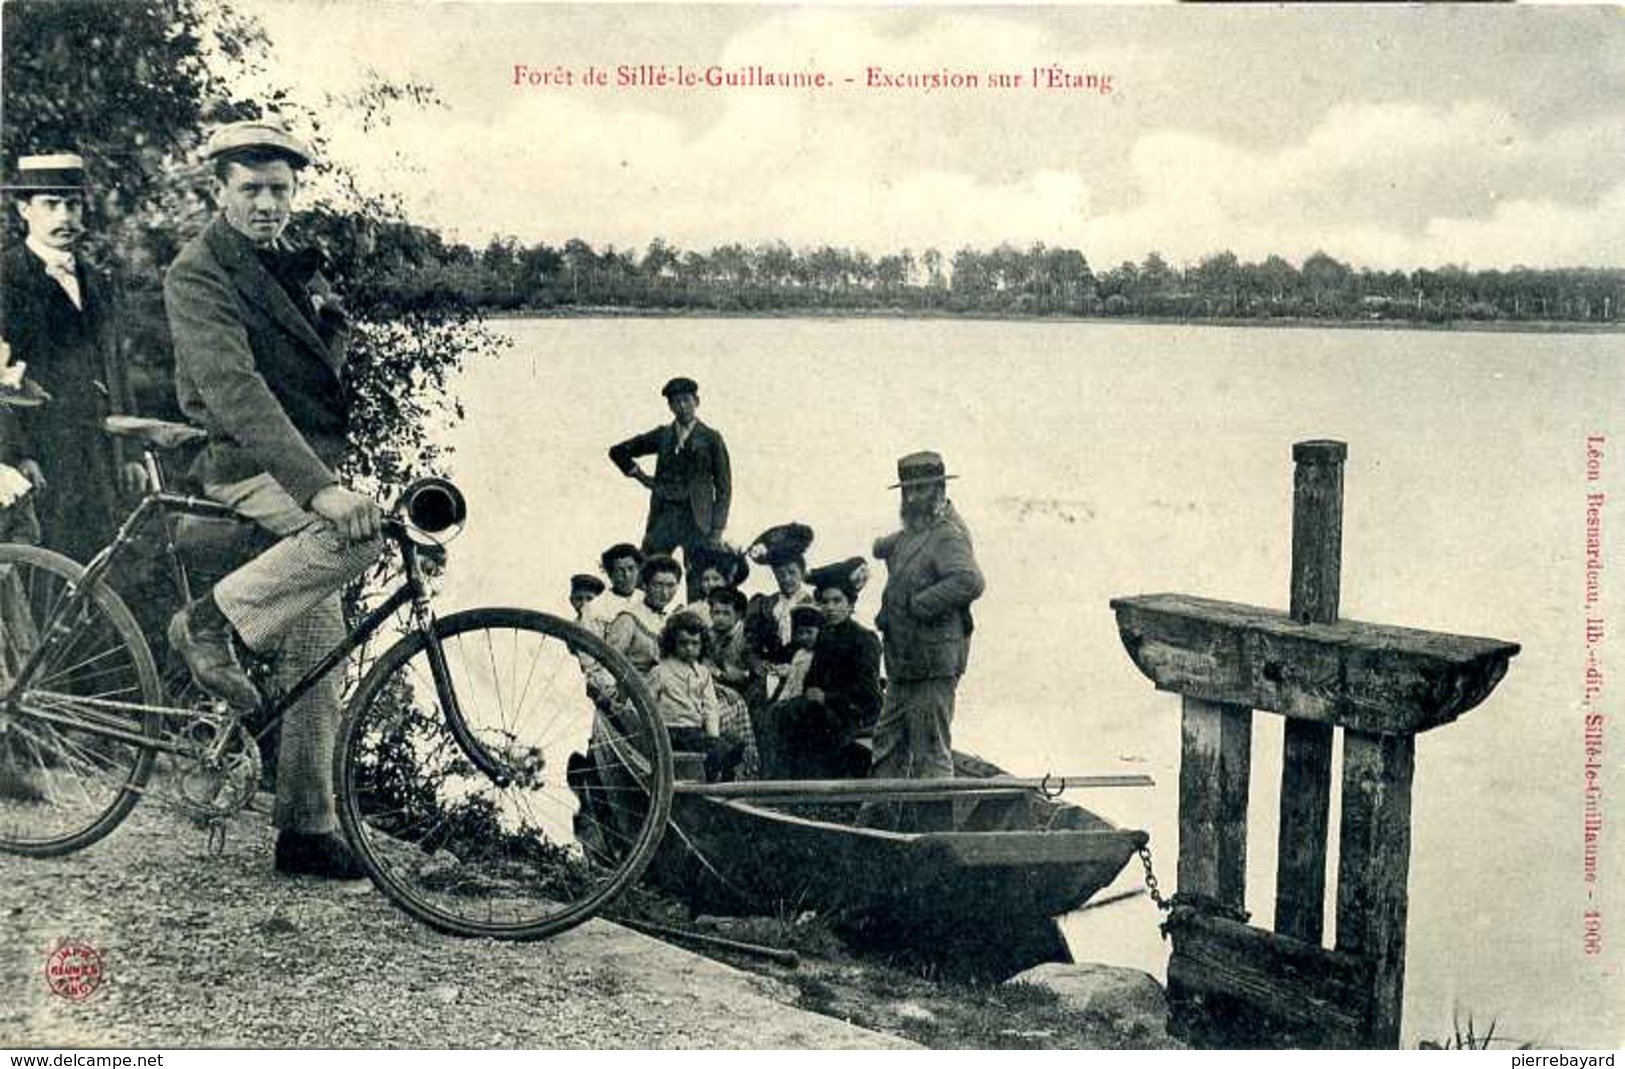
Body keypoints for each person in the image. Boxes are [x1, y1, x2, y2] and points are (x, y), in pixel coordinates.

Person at [162, 120, 381, 879]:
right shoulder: (198, 272)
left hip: (297, 464)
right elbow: (237, 394)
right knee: (358, 540)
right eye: (250, 189)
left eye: (279, 190)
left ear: (296, 191)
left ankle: (305, 827)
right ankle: (207, 625)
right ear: (218, 190)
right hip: (237, 463)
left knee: (321, 631)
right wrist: (320, 489)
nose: (266, 204)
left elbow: (311, 375)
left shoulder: (289, 262)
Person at [1, 153, 146, 564]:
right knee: (44, 569)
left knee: (100, 570)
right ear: (24, 208)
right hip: (40, 457)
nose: (65, 216)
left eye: (74, 204)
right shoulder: (6, 277)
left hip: (99, 455)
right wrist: (13, 454)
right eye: (51, 204)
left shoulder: (96, 280)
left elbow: (116, 369)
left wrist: (131, 451)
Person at [865, 451, 984, 831]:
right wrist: (881, 546)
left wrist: (921, 604)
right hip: (904, 661)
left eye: (921, 489)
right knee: (886, 741)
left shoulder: (948, 533)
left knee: (931, 750)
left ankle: (936, 834)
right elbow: (904, 544)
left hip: (933, 663)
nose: (912, 497)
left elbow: (969, 581)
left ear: (940, 489)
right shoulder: (918, 529)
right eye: (907, 490)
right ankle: (877, 823)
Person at [608, 376, 731, 601]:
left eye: (686, 400)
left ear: (697, 401)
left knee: (699, 580)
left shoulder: (712, 438)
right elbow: (618, 451)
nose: (682, 406)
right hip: (665, 516)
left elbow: (724, 488)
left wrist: (717, 529)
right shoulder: (663, 435)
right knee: (647, 571)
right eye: (675, 402)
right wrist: (642, 477)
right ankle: (637, 617)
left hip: (699, 522)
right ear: (670, 406)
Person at [773, 557, 883, 781]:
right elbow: (813, 679)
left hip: (856, 712)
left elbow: (868, 691)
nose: (830, 608)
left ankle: (815, 787)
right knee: (781, 713)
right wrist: (812, 692)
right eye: (825, 602)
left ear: (850, 604)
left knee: (811, 719)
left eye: (837, 601)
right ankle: (786, 784)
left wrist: (827, 697)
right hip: (826, 707)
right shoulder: (825, 637)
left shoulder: (865, 639)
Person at [646, 610, 740, 782]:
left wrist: (713, 735)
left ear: (702, 645)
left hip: (695, 730)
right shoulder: (660, 671)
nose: (689, 648)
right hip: (672, 731)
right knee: (717, 748)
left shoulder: (703, 673)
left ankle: (723, 782)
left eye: (695, 644)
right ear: (672, 643)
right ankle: (705, 780)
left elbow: (710, 706)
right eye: (683, 643)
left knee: (735, 742)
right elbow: (647, 703)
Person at [741, 521, 816, 712]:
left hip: (804, 675)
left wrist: (795, 669)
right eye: (780, 574)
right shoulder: (764, 605)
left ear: (802, 572)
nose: (786, 579)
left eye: (792, 572)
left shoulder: (815, 605)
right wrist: (758, 664)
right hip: (768, 677)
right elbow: (750, 646)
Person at [578, 542, 642, 640]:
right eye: (620, 570)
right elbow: (588, 647)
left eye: (631, 568)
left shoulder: (647, 599)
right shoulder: (594, 608)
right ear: (610, 574)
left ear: (638, 569)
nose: (627, 575)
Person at [681, 541, 749, 626]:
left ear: (727, 581)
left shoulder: (737, 606)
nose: (710, 584)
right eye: (705, 580)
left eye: (716, 579)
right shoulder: (694, 610)